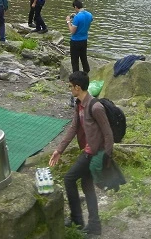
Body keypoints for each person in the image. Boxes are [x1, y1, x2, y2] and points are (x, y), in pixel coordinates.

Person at [49, 70, 113, 236]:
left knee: (69, 179)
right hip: (87, 151)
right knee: (87, 186)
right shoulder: (79, 104)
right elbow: (73, 127)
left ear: (78, 87)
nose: (69, 89)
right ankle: (94, 225)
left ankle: (77, 219)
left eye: (70, 86)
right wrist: (59, 150)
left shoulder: (95, 107)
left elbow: (108, 133)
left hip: (93, 154)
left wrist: (106, 157)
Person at [66, 0, 93, 73]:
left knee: (75, 61)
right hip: (84, 40)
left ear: (75, 7)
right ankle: (87, 74)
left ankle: (76, 77)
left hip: (75, 41)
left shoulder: (77, 17)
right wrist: (76, 16)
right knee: (84, 58)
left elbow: (72, 31)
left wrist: (68, 21)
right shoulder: (89, 15)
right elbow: (86, 21)